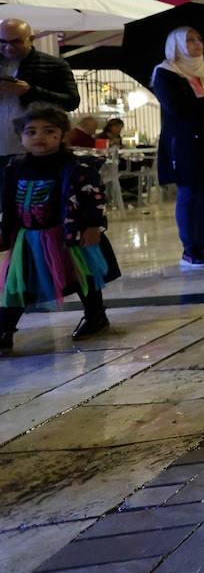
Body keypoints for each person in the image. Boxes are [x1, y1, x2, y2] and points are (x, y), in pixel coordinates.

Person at [0, 105, 120, 352]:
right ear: (20, 136)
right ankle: (4, 328)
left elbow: (94, 197)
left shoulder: (77, 167)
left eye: (49, 131)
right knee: (18, 281)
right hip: (29, 239)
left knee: (83, 275)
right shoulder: (15, 167)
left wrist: (93, 226)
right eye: (31, 132)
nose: (39, 137)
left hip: (69, 235)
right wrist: (5, 231)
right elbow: (8, 202)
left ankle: (95, 316)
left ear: (62, 135)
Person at [152, 27, 204, 269]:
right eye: (190, 40)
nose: (197, 43)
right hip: (188, 143)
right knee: (190, 193)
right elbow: (179, 107)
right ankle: (190, 249)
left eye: (199, 38)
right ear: (177, 44)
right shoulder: (166, 73)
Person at [0, 18, 80, 166]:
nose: (8, 47)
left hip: (36, 149)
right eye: (2, 42)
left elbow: (71, 102)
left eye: (16, 42)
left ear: (31, 40)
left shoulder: (55, 65)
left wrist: (29, 91)